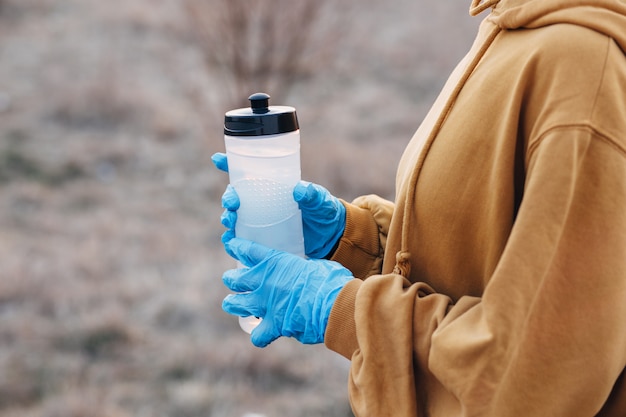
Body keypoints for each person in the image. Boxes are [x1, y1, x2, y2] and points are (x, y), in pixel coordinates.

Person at [213, 0, 626, 416]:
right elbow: (483, 253)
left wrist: (345, 309)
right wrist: (353, 241)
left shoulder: (581, 73)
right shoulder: (514, 27)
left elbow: (534, 381)